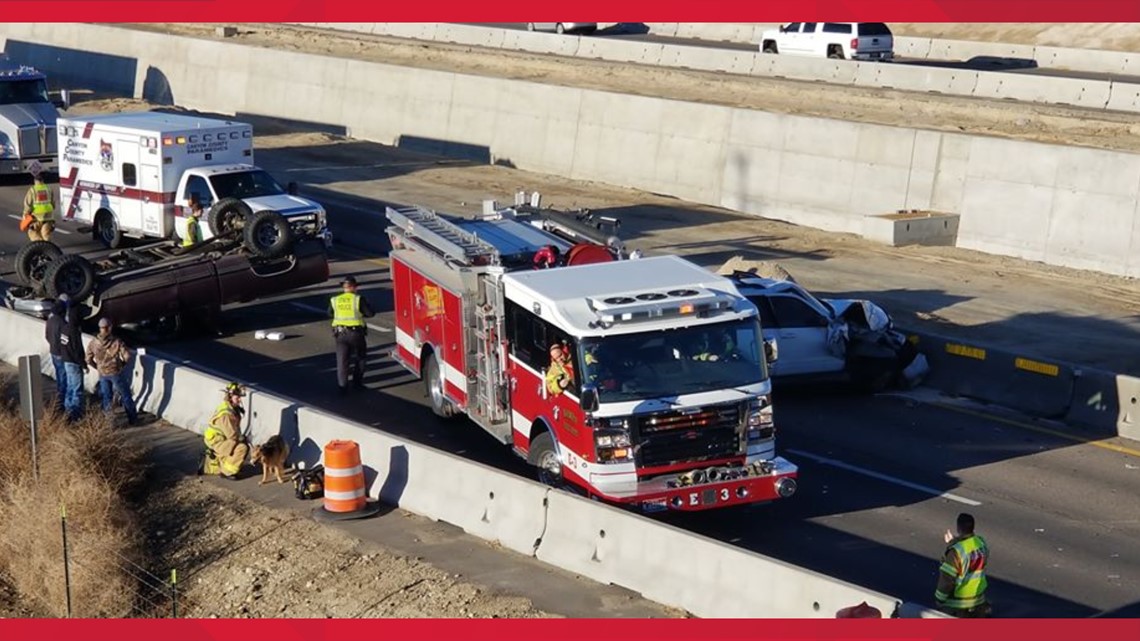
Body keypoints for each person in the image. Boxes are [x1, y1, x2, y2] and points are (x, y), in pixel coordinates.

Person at [935, 512, 992, 618]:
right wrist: (953, 541)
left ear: (958, 527)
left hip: (958, 603)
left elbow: (947, 579)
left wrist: (939, 599)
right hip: (978, 600)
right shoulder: (981, 543)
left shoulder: (956, 552)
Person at [85, 317, 139, 426]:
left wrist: (97, 366)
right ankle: (132, 419)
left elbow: (88, 359)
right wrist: (122, 365)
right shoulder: (116, 341)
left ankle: (109, 422)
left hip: (102, 373)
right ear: (109, 328)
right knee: (126, 395)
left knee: (107, 397)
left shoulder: (93, 343)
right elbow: (127, 356)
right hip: (115, 372)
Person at [328, 275, 376, 395]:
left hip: (340, 334)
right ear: (355, 287)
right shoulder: (358, 299)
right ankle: (357, 383)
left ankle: (342, 387)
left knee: (342, 360)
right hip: (356, 333)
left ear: (344, 288)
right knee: (361, 357)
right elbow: (370, 313)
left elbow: (329, 313)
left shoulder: (335, 299)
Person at [201, 382, 250, 479]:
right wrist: (242, 439)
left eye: (240, 398)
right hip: (217, 442)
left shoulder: (230, 408)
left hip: (221, 440)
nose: (240, 400)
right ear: (230, 397)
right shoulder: (226, 414)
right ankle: (227, 472)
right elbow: (232, 435)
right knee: (242, 448)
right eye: (237, 398)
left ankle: (228, 462)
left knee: (239, 444)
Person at [54, 295, 88, 422]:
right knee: (77, 389)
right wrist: (83, 364)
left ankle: (68, 411)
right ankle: (75, 414)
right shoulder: (74, 331)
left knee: (69, 387)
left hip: (66, 361)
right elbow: (77, 350)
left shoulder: (64, 328)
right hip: (74, 362)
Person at [44, 295, 69, 413]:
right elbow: (66, 339)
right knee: (64, 379)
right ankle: (62, 403)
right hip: (61, 353)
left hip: (53, 352)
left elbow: (47, 336)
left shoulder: (50, 320)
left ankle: (60, 400)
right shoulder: (62, 323)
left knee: (60, 377)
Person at [22, 170, 56, 242]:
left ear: (35, 181)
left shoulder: (32, 190)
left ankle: (40, 247)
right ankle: (49, 250)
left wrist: (25, 215)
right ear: (43, 180)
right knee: (46, 235)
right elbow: (53, 204)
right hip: (49, 217)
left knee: (32, 233)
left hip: (36, 218)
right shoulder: (49, 189)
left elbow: (28, 205)